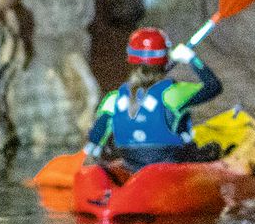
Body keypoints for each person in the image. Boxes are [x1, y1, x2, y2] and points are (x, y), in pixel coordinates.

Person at [83, 27, 223, 172]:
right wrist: (191, 59)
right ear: (166, 59)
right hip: (172, 164)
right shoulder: (173, 93)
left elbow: (94, 139)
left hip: (132, 165)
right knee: (213, 148)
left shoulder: (113, 98)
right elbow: (214, 86)